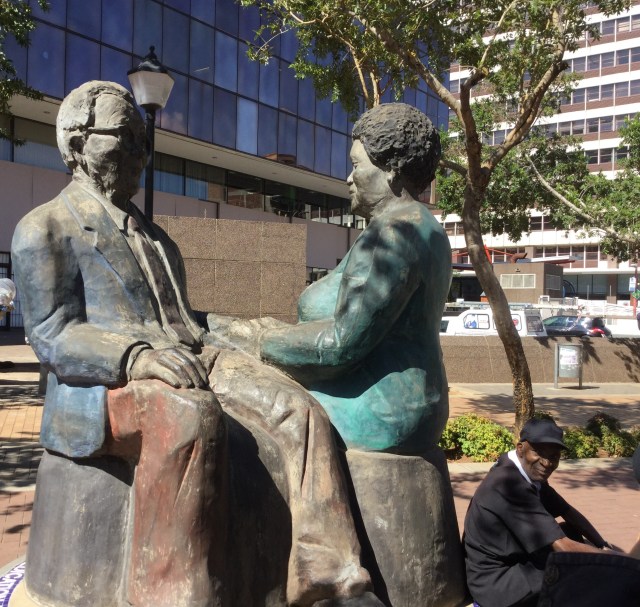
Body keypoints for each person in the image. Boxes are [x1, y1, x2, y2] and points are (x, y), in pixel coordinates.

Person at [12, 81, 380, 607]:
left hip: (191, 356)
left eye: (142, 140)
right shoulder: (44, 228)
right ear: (76, 144)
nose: (139, 153)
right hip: (100, 384)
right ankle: (172, 593)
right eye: (124, 137)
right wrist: (136, 358)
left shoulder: (156, 238)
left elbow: (186, 321)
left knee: (297, 408)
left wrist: (247, 333)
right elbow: (53, 334)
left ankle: (326, 572)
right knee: (190, 417)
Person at [211, 102, 451, 455]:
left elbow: (341, 344)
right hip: (411, 404)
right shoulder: (423, 226)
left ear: (391, 170)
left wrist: (259, 339)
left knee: (229, 391)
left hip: (379, 410)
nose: (349, 178)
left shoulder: (392, 234)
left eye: (357, 165)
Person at [463, 418, 616, 607]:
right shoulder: (508, 484)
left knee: (571, 532)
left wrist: (602, 545)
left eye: (554, 456)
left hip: (515, 561)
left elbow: (568, 512)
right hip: (496, 584)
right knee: (577, 570)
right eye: (538, 452)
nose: (546, 462)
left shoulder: (527, 472)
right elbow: (562, 545)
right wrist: (619, 562)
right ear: (521, 448)